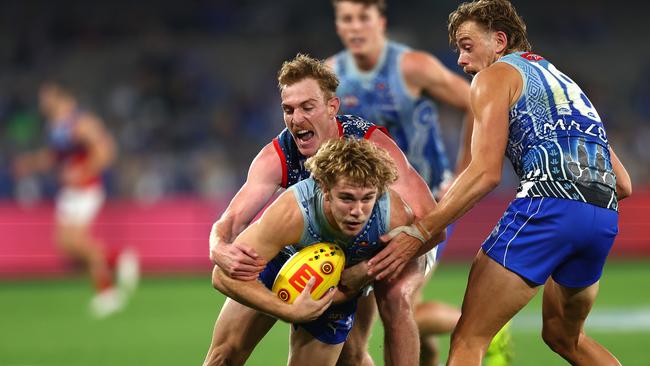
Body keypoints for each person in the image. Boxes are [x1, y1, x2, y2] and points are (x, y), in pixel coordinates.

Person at [375, 0, 633, 364]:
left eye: (467, 47)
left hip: (547, 205)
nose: (462, 62)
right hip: (602, 218)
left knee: (469, 338)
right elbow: (622, 184)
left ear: (499, 41)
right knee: (565, 336)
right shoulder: (568, 86)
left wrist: (421, 231)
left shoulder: (494, 76)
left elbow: (484, 173)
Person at [204, 54, 441, 366]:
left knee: (391, 304)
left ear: (332, 107)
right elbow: (233, 220)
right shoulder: (278, 157)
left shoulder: (370, 146)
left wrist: (366, 271)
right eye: (288, 109)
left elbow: (429, 222)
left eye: (307, 107)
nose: (296, 119)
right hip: (314, 246)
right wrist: (218, 245)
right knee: (224, 354)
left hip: (384, 241)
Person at [325, 1, 484, 364]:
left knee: (397, 303)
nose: (355, 27)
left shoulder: (412, 67)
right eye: (347, 19)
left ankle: (485, 329)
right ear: (338, 26)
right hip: (367, 209)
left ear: (380, 22)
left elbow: (476, 100)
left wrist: (463, 170)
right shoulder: (330, 74)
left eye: (363, 18)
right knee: (365, 334)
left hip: (423, 206)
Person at [212, 138, 422, 365]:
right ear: (325, 188)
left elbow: (411, 257)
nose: (357, 212)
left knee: (353, 357)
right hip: (279, 260)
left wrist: (365, 275)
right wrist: (288, 310)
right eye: (346, 198)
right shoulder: (293, 211)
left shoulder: (396, 216)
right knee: (222, 358)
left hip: (336, 282)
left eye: (367, 198)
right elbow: (222, 276)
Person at [13, 79, 139, 318]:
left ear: (60, 97)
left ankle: (107, 292)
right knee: (66, 245)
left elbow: (106, 150)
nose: (42, 102)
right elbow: (54, 158)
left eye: (46, 96)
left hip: (85, 188)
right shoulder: (55, 126)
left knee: (78, 241)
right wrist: (29, 164)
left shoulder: (80, 122)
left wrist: (85, 170)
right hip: (70, 190)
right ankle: (118, 258)